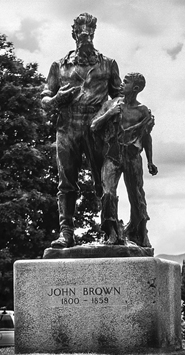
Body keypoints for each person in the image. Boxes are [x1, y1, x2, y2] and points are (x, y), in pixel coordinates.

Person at [41, 13, 121, 248]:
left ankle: (110, 230)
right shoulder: (59, 65)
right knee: (66, 182)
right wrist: (57, 98)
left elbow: (120, 96)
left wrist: (108, 114)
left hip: (97, 126)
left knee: (103, 184)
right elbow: (44, 98)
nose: (85, 36)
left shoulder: (108, 63)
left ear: (94, 34)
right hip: (67, 126)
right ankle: (66, 232)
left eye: (90, 32)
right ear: (74, 34)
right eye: (81, 32)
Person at [90, 73, 156, 247]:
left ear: (135, 88)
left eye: (125, 82)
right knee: (108, 193)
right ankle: (111, 232)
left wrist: (150, 161)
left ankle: (139, 233)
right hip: (113, 154)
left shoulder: (142, 111)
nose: (121, 84)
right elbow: (93, 126)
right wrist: (109, 114)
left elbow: (146, 137)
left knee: (137, 197)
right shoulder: (110, 104)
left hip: (132, 156)